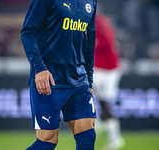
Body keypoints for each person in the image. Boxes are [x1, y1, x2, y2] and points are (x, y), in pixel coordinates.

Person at [21, 0, 97, 150]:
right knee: (47, 142)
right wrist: (39, 68)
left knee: (88, 136)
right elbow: (28, 31)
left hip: (79, 82)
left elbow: (89, 40)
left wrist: (89, 80)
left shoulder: (91, 1)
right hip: (49, 81)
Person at [93, 14, 124, 150]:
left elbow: (107, 41)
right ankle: (98, 123)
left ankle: (115, 138)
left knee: (105, 103)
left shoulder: (99, 21)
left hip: (108, 70)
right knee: (85, 91)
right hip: (99, 68)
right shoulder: (92, 20)